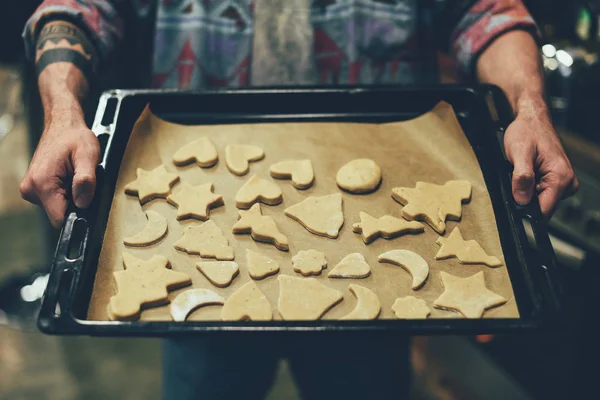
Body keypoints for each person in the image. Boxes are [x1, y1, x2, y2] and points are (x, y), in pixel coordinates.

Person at [20, 1, 578, 399]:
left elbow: (485, 12)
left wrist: (530, 109)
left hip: (368, 280)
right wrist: (64, 110)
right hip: (200, 296)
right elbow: (78, 9)